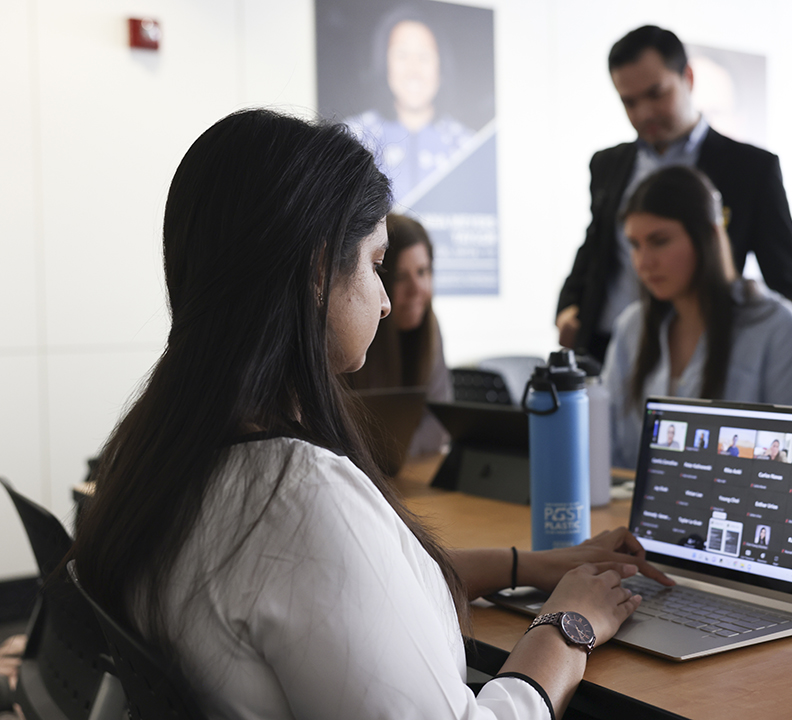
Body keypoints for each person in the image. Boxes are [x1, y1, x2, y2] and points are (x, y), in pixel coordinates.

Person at [69, 109, 674, 720]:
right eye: (377, 263)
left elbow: (348, 586)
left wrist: (531, 565)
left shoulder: (160, 457)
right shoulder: (295, 496)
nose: (386, 301)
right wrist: (568, 626)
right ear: (315, 267)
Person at [556, 25, 792, 407]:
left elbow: (788, 277)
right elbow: (596, 247)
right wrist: (568, 305)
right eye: (630, 102)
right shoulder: (608, 165)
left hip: (708, 351)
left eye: (656, 94)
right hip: (615, 347)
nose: (645, 113)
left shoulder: (750, 168)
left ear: (687, 78)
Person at [602, 165, 792, 468]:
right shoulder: (631, 328)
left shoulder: (776, 327)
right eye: (635, 245)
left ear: (708, 236)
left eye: (659, 241)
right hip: (639, 513)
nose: (644, 262)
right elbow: (608, 453)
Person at [345, 213, 450, 457]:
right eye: (402, 277)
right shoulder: (353, 333)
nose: (417, 289)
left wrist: (391, 452)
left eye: (423, 272)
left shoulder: (431, 328)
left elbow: (438, 424)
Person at [345, 9, 473, 203]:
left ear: (441, 66)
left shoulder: (466, 146)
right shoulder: (353, 137)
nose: (414, 69)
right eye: (401, 54)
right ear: (384, 63)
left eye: (424, 56)